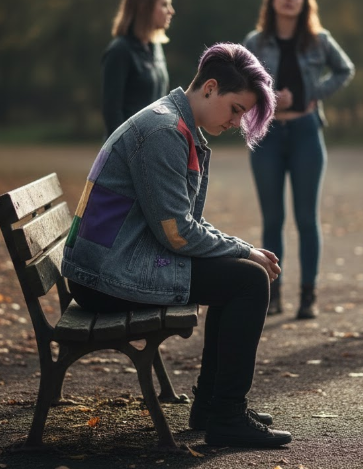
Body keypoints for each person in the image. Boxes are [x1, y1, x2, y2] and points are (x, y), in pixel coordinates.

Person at [62, 43, 293, 448]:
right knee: (249, 282)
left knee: (240, 277)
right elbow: (179, 234)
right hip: (105, 275)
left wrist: (240, 249)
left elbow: (183, 224)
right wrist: (242, 250)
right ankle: (225, 416)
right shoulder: (165, 131)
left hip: (114, 261)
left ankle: (213, 407)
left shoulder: (177, 125)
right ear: (210, 87)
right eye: (236, 109)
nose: (237, 122)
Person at [244, 0, 354, 319]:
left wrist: (309, 95)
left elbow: (344, 69)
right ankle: (272, 294)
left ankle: (308, 295)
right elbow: (238, 82)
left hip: (307, 132)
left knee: (307, 218)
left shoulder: (319, 39)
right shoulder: (255, 41)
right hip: (269, 135)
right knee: (272, 218)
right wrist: (268, 97)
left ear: (305, 2)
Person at [101, 0, 174, 137]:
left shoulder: (156, 48)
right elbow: (112, 112)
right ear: (143, 7)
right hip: (127, 153)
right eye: (164, 5)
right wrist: (126, 151)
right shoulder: (119, 50)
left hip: (153, 147)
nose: (171, 11)